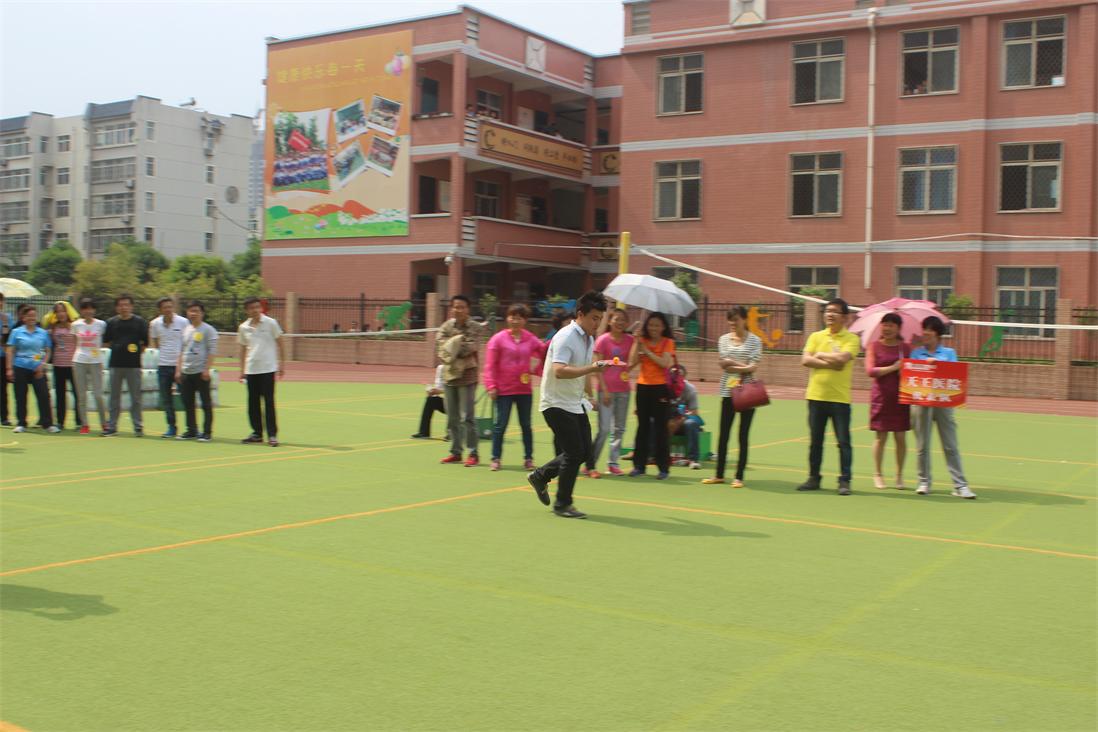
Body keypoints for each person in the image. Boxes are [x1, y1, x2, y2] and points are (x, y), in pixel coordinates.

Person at [526, 291, 610, 518]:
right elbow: (559, 371)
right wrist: (592, 368)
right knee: (574, 453)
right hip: (555, 403)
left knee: (584, 452)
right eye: (594, 318)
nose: (597, 324)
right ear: (580, 314)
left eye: (600, 319)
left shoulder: (588, 338)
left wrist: (589, 396)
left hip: (575, 402)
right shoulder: (566, 336)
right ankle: (563, 504)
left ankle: (540, 476)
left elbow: (583, 371)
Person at [798, 298, 861, 495]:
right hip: (816, 397)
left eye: (834, 311)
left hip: (839, 399)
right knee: (815, 441)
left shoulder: (852, 339)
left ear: (845, 317)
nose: (830, 315)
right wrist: (831, 362)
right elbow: (805, 360)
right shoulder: (816, 336)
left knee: (843, 442)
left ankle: (844, 480)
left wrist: (819, 355)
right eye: (827, 311)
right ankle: (813, 478)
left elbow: (843, 359)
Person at [910, 316, 975, 499]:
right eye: (924, 329)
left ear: (937, 334)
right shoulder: (916, 353)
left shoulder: (949, 353)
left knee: (950, 445)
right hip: (921, 404)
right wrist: (924, 366)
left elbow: (954, 374)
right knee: (922, 445)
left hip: (943, 404)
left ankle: (960, 485)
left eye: (929, 330)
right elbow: (911, 372)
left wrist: (937, 365)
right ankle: (924, 481)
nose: (925, 333)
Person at [703, 306, 762, 488]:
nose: (732, 323)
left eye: (736, 319)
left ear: (744, 319)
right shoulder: (723, 339)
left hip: (747, 391)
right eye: (730, 320)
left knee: (743, 435)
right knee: (724, 433)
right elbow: (724, 366)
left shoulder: (755, 340)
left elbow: (753, 367)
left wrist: (732, 363)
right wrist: (741, 365)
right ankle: (719, 474)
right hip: (727, 391)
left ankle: (739, 477)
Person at [484, 304, 545, 471]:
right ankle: (496, 458)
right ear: (507, 318)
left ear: (525, 320)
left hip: (524, 389)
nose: (515, 321)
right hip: (503, 390)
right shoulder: (498, 339)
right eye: (512, 317)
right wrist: (491, 385)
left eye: (519, 318)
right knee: (500, 425)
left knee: (526, 425)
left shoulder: (530, 338)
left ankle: (528, 458)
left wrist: (538, 368)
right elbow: (490, 365)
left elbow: (544, 350)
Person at [436, 294, 487, 466]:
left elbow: (470, 348)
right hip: (449, 376)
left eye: (462, 307)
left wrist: (453, 345)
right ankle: (456, 452)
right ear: (451, 308)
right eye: (455, 306)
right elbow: (441, 347)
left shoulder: (475, 327)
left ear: (468, 309)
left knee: (467, 417)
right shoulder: (445, 326)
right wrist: (458, 343)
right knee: (452, 417)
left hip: (467, 376)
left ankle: (473, 453)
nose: (458, 310)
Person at [866, 312, 912, 489]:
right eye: (885, 324)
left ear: (899, 328)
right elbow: (871, 371)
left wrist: (904, 371)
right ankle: (877, 474)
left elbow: (914, 371)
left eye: (891, 325)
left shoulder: (905, 348)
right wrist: (893, 368)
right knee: (881, 437)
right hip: (881, 398)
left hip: (901, 398)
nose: (887, 328)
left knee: (900, 437)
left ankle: (899, 475)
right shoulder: (874, 346)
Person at [628, 312, 676, 480]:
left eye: (657, 325)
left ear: (663, 327)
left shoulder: (668, 342)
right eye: (651, 325)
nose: (653, 328)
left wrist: (646, 351)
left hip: (660, 388)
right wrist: (636, 342)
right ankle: (639, 466)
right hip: (643, 387)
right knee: (643, 427)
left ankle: (663, 468)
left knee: (661, 428)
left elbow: (665, 363)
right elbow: (632, 362)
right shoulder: (642, 340)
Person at [591, 309, 634, 475]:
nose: (620, 323)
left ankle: (613, 463)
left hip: (624, 390)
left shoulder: (631, 340)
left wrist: (638, 342)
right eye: (617, 319)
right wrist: (604, 389)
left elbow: (633, 362)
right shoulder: (602, 340)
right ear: (609, 321)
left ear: (627, 323)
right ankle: (591, 463)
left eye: (623, 320)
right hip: (606, 391)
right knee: (604, 429)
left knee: (619, 428)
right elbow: (597, 367)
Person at [238, 296, 286, 447]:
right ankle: (257, 433)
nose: (255, 310)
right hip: (251, 370)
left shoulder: (270, 323)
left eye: (257, 307)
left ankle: (272, 435)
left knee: (269, 402)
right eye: (251, 308)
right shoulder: (243, 327)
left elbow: (280, 343)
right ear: (246, 310)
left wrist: (282, 364)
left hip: (268, 369)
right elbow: (243, 349)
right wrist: (242, 370)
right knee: (253, 403)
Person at [5, 305, 57, 433]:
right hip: (20, 367)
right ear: (23, 318)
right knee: (20, 396)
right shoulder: (16, 332)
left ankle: (47, 424)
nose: (31, 318)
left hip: (37, 368)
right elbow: (10, 350)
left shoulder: (43, 333)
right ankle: (21, 423)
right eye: (29, 316)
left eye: (33, 316)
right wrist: (9, 368)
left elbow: (48, 350)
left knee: (44, 395)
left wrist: (42, 365)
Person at [102, 294, 149, 437]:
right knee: (114, 397)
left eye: (126, 305)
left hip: (133, 365)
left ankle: (138, 426)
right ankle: (112, 426)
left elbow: (145, 343)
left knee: (135, 397)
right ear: (117, 307)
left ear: (131, 306)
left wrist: (134, 354)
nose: (124, 307)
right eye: (121, 305)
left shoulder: (140, 322)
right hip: (115, 364)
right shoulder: (111, 322)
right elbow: (106, 342)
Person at [176, 301, 218, 442]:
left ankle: (207, 432)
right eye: (191, 311)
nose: (193, 314)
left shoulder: (208, 330)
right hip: (186, 372)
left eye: (196, 311)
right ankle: (191, 430)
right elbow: (181, 351)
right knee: (188, 403)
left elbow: (212, 351)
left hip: (201, 372)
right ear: (187, 313)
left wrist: (206, 369)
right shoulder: (186, 329)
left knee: (206, 403)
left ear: (202, 313)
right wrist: (178, 370)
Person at [149, 297, 186, 438]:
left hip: (180, 366)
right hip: (163, 365)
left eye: (170, 307)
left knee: (186, 397)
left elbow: (186, 342)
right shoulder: (155, 324)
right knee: (166, 398)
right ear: (160, 310)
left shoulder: (183, 322)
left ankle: (191, 428)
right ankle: (171, 427)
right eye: (165, 307)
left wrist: (180, 364)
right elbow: (156, 343)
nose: (168, 310)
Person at [71, 298, 107, 434]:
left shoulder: (101, 324)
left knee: (98, 394)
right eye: (85, 308)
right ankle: (84, 424)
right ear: (81, 310)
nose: (88, 311)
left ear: (94, 310)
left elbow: (104, 342)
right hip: (79, 361)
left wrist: (100, 358)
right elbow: (74, 343)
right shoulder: (76, 325)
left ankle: (104, 423)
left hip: (96, 361)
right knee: (81, 395)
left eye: (91, 308)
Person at [44, 301, 81, 430]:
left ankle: (79, 421)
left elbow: (79, 343)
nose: (61, 314)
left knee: (77, 393)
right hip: (58, 364)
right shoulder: (53, 328)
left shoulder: (75, 326)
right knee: (60, 394)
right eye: (58, 311)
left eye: (63, 311)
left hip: (73, 365)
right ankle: (60, 421)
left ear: (68, 312)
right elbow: (44, 325)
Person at [410, 364, 446, 439]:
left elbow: (457, 389)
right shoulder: (441, 368)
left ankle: (453, 433)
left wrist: (440, 391)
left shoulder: (457, 367)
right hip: (448, 402)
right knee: (431, 400)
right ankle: (424, 432)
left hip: (459, 404)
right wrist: (431, 390)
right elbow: (439, 388)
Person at [0, 292, 12, 426]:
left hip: (3, 357)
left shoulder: (7, 318)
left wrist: (4, 324)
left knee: (3, 388)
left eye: (1, 300)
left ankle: (4, 416)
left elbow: (7, 338)